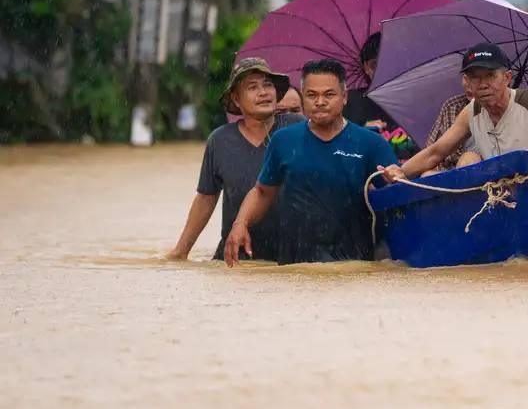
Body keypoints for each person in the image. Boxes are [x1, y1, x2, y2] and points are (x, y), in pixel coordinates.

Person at [224, 59, 397, 266]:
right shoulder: (283, 141)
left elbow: (394, 197)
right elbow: (262, 192)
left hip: (354, 268)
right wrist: (240, 224)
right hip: (294, 267)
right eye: (312, 95)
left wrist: (396, 178)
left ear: (344, 97)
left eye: (329, 94)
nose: (320, 102)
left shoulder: (371, 143)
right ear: (303, 98)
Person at [165, 58, 304, 261]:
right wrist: (181, 251)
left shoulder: (297, 128)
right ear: (236, 99)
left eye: (267, 85)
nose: (263, 92)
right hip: (236, 257)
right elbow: (206, 197)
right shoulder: (220, 141)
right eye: (252, 87)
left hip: (290, 257)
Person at [384, 43, 528, 179]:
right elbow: (436, 152)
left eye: (490, 76)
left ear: (507, 77)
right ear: (467, 82)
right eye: (475, 78)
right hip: (501, 194)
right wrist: (402, 171)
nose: (483, 84)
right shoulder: (471, 112)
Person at [344, 32, 420, 161]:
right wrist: (360, 136)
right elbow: (340, 153)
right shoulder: (349, 102)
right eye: (375, 64)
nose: (382, 69)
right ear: (366, 68)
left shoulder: (418, 102)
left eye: (389, 62)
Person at [421, 76, 477, 175]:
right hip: (451, 172)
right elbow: (432, 153)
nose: (468, 84)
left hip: (483, 170)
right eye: (466, 78)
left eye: (476, 78)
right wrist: (401, 172)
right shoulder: (453, 106)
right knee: (427, 175)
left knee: (469, 158)